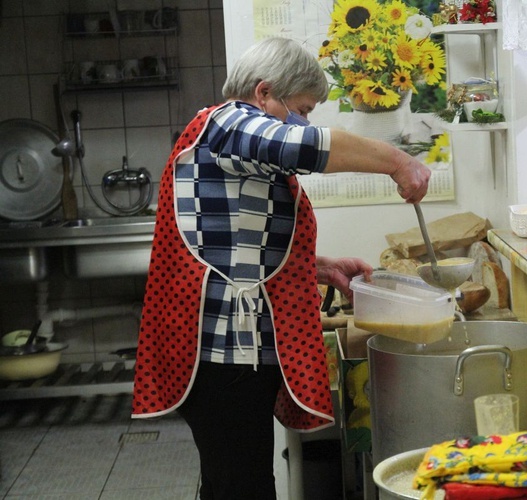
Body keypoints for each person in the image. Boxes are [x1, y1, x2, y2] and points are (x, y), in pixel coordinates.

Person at [131, 37, 431, 499]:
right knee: (243, 487)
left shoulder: (226, 138)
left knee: (232, 484)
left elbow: (231, 238)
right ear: (264, 92)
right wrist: (399, 161)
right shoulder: (229, 124)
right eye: (303, 108)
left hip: (224, 354)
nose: (305, 120)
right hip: (226, 353)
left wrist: (318, 267)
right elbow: (305, 147)